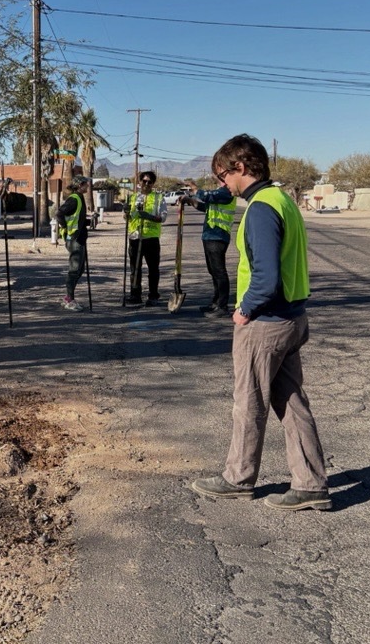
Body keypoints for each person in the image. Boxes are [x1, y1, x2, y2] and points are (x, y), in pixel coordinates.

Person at [191, 134, 330, 511]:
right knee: (292, 402)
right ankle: (311, 484)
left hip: (266, 322)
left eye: (223, 176)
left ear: (240, 167)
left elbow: (266, 276)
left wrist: (244, 308)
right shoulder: (282, 199)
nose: (222, 184)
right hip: (292, 317)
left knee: (249, 403)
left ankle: (238, 478)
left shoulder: (261, 208)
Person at [180, 178, 237, 317]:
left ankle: (222, 306)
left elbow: (207, 197)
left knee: (219, 271)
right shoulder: (220, 192)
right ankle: (216, 302)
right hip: (209, 235)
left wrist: (194, 188)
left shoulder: (227, 192)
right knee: (213, 271)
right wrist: (191, 201)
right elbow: (207, 207)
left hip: (218, 235)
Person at [123, 170, 167, 306]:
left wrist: (149, 216)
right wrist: (126, 212)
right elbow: (127, 217)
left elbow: (163, 217)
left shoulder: (159, 198)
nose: (146, 184)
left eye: (149, 182)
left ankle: (153, 295)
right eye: (144, 181)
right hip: (135, 237)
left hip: (151, 238)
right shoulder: (132, 197)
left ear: (153, 184)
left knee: (153, 269)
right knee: (135, 268)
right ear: (139, 182)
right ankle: (135, 294)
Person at [55, 176, 91, 311]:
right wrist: (65, 227)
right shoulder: (74, 199)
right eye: (86, 184)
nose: (88, 186)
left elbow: (75, 217)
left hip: (80, 237)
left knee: (80, 269)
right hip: (74, 238)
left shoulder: (79, 198)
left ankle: (68, 297)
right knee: (74, 270)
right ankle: (69, 299)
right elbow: (59, 213)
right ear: (80, 185)